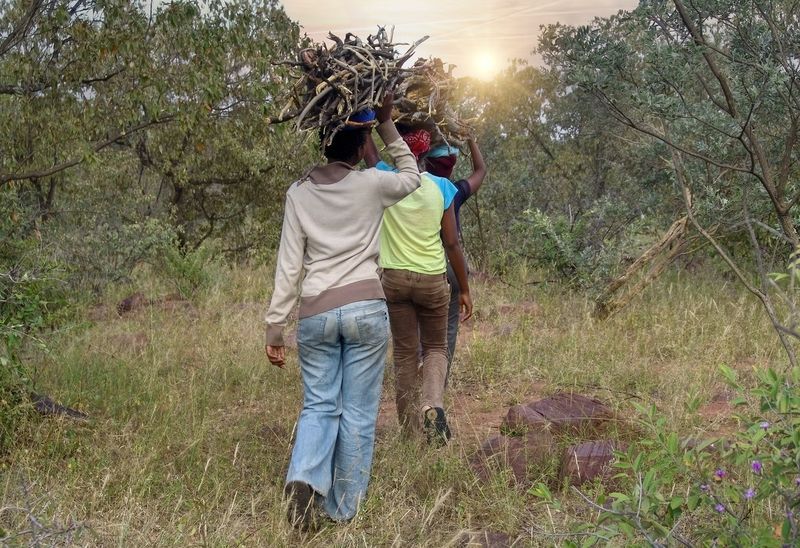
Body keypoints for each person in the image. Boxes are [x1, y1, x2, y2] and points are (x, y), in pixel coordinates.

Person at [264, 93, 420, 529]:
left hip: (315, 312)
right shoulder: (372, 183)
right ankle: (341, 510)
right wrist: (387, 125)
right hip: (366, 309)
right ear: (358, 148)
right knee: (357, 413)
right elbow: (412, 177)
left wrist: (275, 328)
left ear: (323, 144)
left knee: (318, 406)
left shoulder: (298, 193)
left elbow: (288, 265)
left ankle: (303, 477)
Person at [364, 128, 473, 446]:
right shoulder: (442, 186)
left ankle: (409, 435)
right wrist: (464, 288)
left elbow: (371, 155)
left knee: (405, 356)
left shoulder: (385, 179)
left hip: (394, 281)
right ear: (425, 156)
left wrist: (373, 119)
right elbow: (451, 243)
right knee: (436, 348)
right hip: (432, 280)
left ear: (398, 153)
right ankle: (432, 405)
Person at [425, 138, 486, 382]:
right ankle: (438, 380)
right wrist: (471, 139)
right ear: (451, 167)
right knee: (447, 329)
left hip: (415, 266)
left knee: (419, 325)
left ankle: (419, 369)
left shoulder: (407, 186)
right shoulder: (454, 191)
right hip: (447, 269)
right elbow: (480, 171)